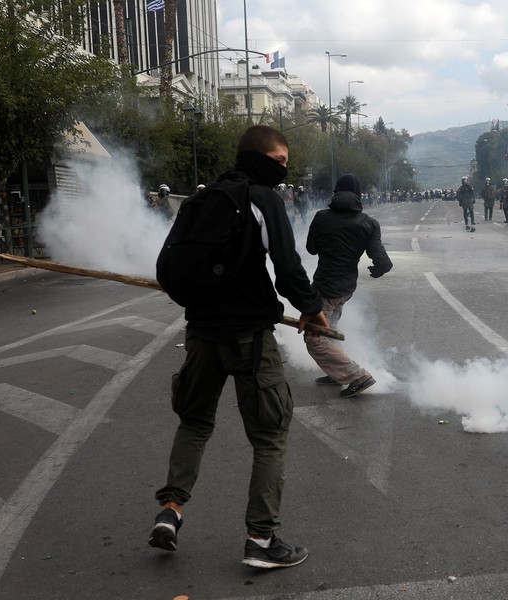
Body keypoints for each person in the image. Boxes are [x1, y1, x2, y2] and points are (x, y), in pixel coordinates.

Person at [149, 125, 329, 570]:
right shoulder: (264, 200)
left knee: (193, 423)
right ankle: (261, 540)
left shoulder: (198, 200)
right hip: (249, 337)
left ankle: (170, 512)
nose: (284, 170)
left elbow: (169, 267)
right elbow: (287, 268)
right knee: (269, 435)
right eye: (281, 162)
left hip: (200, 334)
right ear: (260, 158)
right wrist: (311, 310)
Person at [304, 173, 392, 398]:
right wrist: (378, 270)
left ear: (336, 193)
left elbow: (311, 249)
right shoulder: (369, 223)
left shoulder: (322, 217)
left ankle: (356, 376)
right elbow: (382, 261)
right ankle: (337, 373)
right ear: (359, 196)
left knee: (313, 339)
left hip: (324, 288)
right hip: (345, 289)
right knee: (329, 330)